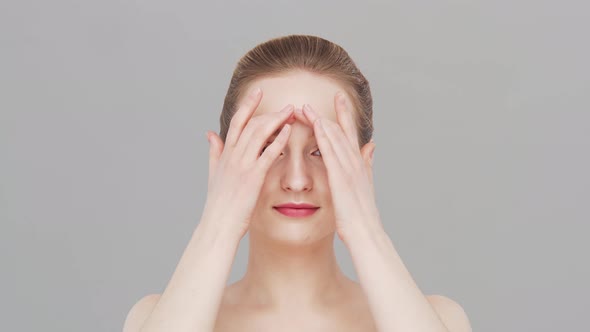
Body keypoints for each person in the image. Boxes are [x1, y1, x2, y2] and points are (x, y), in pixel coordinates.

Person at [123, 35, 472, 332]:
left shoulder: (438, 318)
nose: (296, 180)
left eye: (321, 150)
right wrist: (218, 224)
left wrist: (367, 231)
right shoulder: (155, 317)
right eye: (268, 147)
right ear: (224, 161)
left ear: (363, 166)